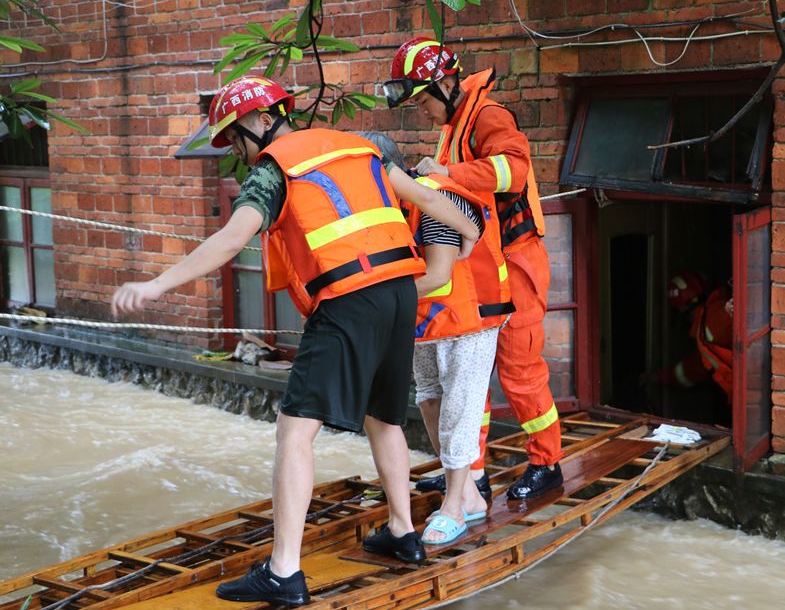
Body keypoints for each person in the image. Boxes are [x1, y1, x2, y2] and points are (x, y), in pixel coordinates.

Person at [110, 76, 480, 607]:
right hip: (399, 292)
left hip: (349, 300)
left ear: (261, 120)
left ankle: (284, 571)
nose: (238, 152)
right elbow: (425, 196)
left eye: (236, 139)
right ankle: (403, 533)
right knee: (385, 417)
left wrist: (155, 285)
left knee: (294, 431)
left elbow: (231, 238)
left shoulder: (275, 168)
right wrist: (465, 232)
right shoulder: (357, 145)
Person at [383, 38, 563, 501]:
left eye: (423, 100)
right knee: (468, 371)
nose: (421, 112)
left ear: (445, 83)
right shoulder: (454, 124)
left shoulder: (488, 116)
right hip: (482, 265)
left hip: (517, 261)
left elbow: (513, 173)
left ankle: (547, 463)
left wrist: (446, 176)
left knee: (520, 368)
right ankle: (470, 471)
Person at [358, 131, 511, 545]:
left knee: (459, 409)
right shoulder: (388, 206)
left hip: (470, 320)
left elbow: (440, 274)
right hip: (427, 322)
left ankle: (454, 507)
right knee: (429, 398)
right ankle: (471, 496)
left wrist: (371, 302)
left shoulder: (435, 202)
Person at [644, 271, 733, 420]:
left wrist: (729, 312)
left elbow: (725, 321)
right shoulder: (704, 330)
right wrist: (657, 377)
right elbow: (693, 369)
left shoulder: (711, 320)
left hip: (749, 393)